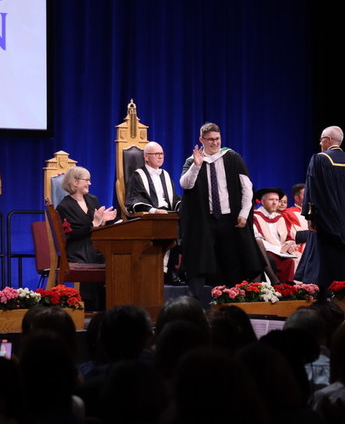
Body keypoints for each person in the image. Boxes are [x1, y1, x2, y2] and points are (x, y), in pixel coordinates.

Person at [179, 122, 265, 300]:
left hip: (229, 219)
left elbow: (247, 188)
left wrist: (244, 213)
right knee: (202, 260)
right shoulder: (193, 160)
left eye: (217, 139)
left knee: (232, 261)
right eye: (210, 139)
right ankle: (198, 302)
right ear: (201, 140)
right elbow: (185, 185)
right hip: (205, 221)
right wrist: (196, 166)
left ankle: (234, 299)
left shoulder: (232, 157)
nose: (215, 143)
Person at [294, 126, 345, 293]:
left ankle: (325, 299)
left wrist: (311, 217)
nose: (320, 143)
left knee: (326, 267)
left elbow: (314, 191)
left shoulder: (320, 159)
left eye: (321, 139)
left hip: (329, 223)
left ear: (329, 140)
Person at [56, 165, 116, 311]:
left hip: (94, 245)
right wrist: (93, 224)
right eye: (87, 180)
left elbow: (97, 227)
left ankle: (106, 305)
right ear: (75, 182)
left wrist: (103, 221)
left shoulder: (92, 200)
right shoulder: (64, 206)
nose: (90, 183)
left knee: (113, 258)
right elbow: (71, 235)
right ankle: (88, 306)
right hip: (76, 248)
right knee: (92, 257)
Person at [125, 141, 184, 284]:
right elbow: (134, 200)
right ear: (146, 157)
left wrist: (183, 207)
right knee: (170, 230)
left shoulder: (165, 174)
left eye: (162, 153)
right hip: (151, 216)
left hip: (168, 214)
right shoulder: (138, 176)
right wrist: (154, 210)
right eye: (156, 154)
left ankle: (180, 270)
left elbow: (174, 198)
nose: (160, 157)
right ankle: (165, 272)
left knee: (189, 224)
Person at [252, 187, 300, 283]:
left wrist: (289, 245)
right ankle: (277, 286)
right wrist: (278, 249)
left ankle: (293, 289)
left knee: (300, 258)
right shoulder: (255, 216)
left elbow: (288, 237)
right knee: (285, 261)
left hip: (282, 251)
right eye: (271, 200)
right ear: (263, 201)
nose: (275, 203)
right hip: (266, 251)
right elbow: (258, 239)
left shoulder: (279, 217)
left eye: (277, 200)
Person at [283, 183, 310, 255]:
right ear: (297, 198)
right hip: (301, 251)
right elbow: (295, 236)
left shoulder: (315, 212)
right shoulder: (289, 213)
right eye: (306, 194)